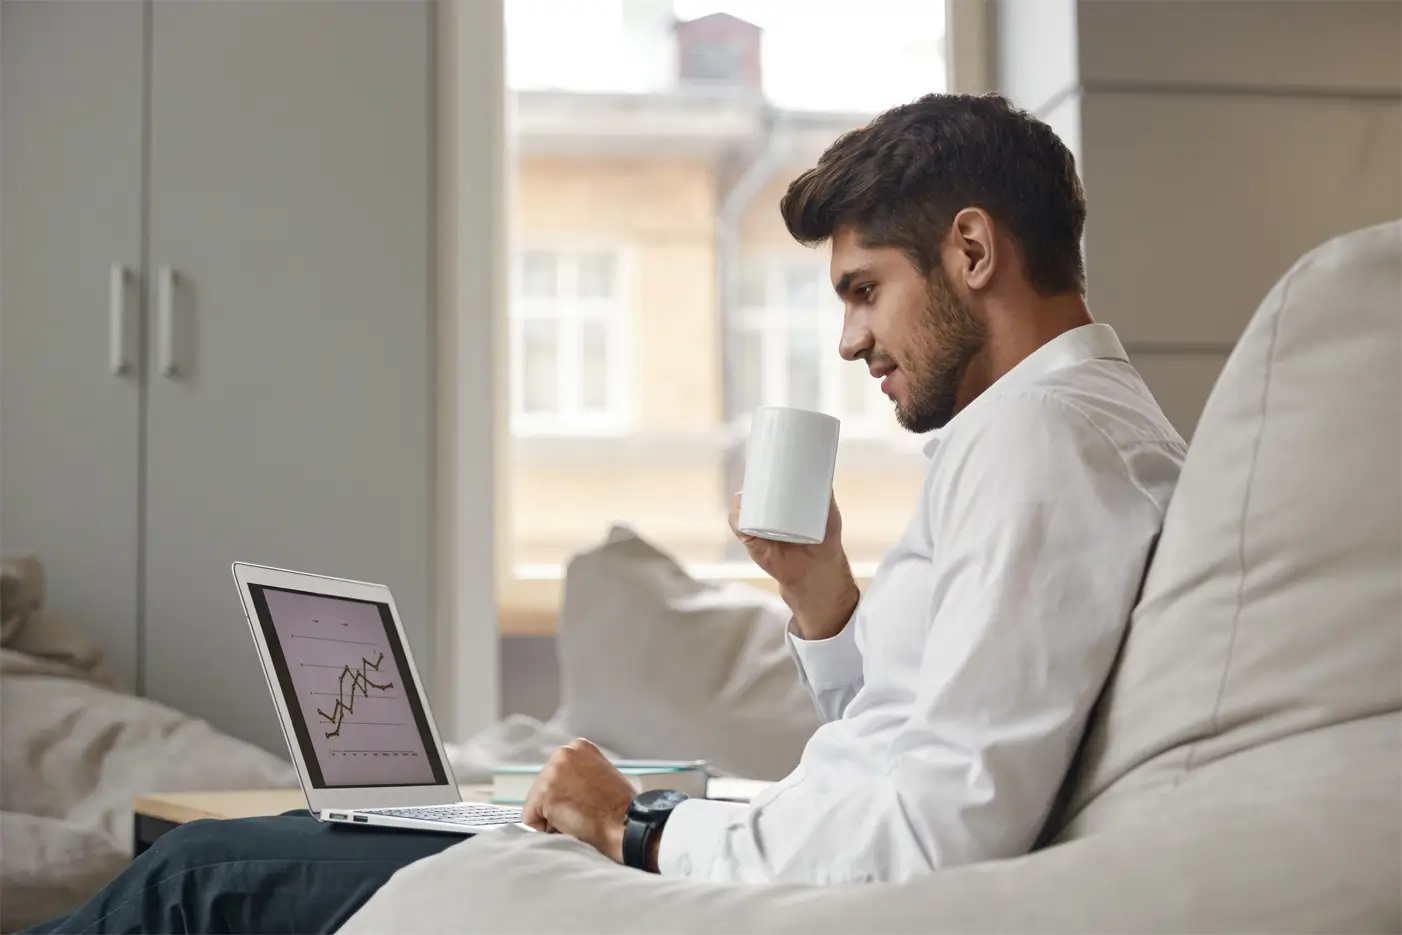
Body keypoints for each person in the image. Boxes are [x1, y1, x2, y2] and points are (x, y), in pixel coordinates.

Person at [24, 92, 1185, 932]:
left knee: (202, 874)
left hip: (737, 878)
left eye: (862, 290)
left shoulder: (1046, 444)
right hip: (761, 845)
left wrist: (636, 827)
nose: (849, 340)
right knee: (273, 844)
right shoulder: (1046, 432)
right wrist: (823, 604)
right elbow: (899, 739)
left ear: (972, 249)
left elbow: (932, 833)